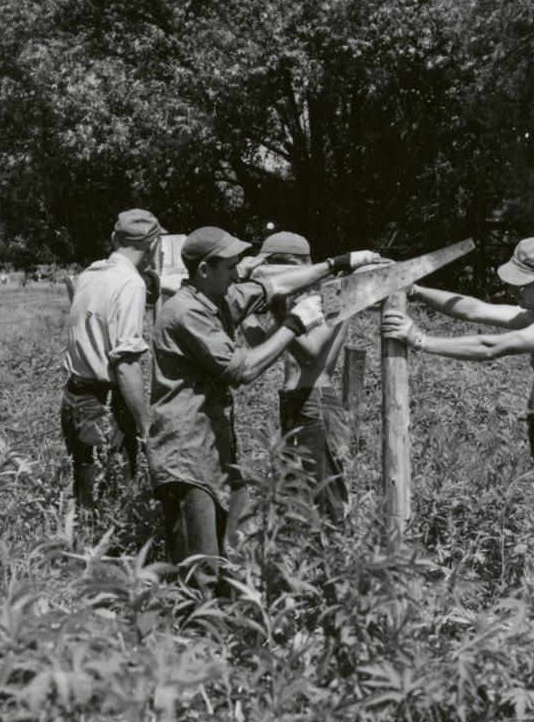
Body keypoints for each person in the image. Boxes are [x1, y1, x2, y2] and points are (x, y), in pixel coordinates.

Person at [148, 226, 378, 572]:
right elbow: (247, 363)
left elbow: (306, 345)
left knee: (316, 505)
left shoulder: (218, 298)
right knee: (213, 555)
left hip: (308, 406)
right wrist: (288, 318)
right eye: (231, 268)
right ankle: (203, 617)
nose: (239, 274)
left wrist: (336, 264)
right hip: (189, 445)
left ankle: (327, 578)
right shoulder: (193, 311)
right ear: (205, 272)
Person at [383, 236, 534, 567]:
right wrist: (414, 290)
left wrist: (420, 339)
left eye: (522, 283)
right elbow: (475, 309)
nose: (512, 290)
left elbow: (492, 346)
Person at [243, 230, 354, 520]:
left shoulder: (333, 294)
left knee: (325, 500)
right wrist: (242, 304)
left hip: (316, 403)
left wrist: (281, 311)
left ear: (293, 264)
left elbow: (310, 354)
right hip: (295, 402)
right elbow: (260, 343)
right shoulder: (298, 301)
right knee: (296, 499)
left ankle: (339, 563)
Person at [61, 207, 160, 520]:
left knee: (85, 493)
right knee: (112, 501)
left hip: (74, 396)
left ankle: (79, 555)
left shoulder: (92, 273)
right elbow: (126, 364)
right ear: (154, 244)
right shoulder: (130, 284)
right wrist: (146, 426)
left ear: (116, 238)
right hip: (104, 403)